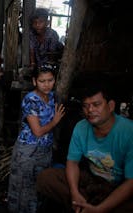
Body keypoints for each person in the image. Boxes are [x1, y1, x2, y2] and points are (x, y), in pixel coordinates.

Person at [36, 80, 133, 213]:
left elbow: (131, 182)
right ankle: (82, 204)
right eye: (86, 106)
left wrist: (100, 209)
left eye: (96, 104)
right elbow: (72, 162)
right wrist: (75, 193)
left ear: (110, 106)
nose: (90, 110)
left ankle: (93, 206)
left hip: (118, 186)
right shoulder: (81, 127)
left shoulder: (129, 131)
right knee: (45, 178)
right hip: (93, 181)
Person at [7, 64, 65, 213]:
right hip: (28, 151)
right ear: (34, 81)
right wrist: (55, 121)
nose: (46, 85)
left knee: (39, 188)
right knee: (23, 191)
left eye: (50, 80)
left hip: (45, 150)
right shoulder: (30, 99)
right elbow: (38, 131)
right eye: (42, 81)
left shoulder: (53, 97)